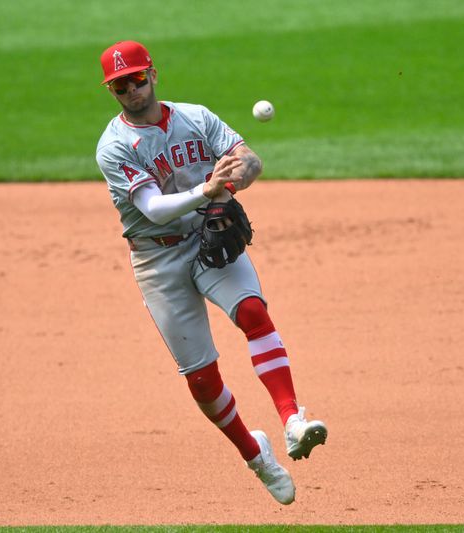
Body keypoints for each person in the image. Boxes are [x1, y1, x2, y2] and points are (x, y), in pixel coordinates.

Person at [94, 40, 327, 505]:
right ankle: (256, 455)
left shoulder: (196, 117)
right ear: (112, 91)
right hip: (157, 258)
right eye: (120, 85)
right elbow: (154, 209)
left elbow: (251, 160)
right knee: (201, 379)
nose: (132, 90)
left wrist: (234, 182)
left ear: (153, 75)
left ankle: (291, 419)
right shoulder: (114, 147)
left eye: (137, 79)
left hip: (207, 235)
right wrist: (208, 190)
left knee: (253, 312)